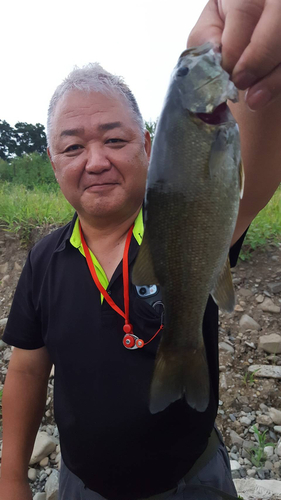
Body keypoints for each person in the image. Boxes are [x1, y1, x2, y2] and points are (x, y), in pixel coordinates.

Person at [1, 1, 281, 499]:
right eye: (72, 147)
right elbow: (26, 368)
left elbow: (258, 133)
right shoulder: (44, 260)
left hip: (193, 480)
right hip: (81, 484)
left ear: (148, 146)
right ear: (51, 161)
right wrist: (10, 477)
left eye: (114, 139)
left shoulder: (188, 215)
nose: (95, 161)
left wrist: (254, 46)